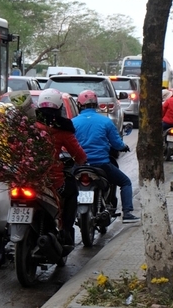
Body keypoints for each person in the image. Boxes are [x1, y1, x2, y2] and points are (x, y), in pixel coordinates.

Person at [72, 90, 140, 224]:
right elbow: (116, 143)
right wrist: (123, 146)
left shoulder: (73, 122)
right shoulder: (106, 122)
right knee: (125, 182)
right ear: (96, 104)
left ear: (79, 105)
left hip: (79, 165)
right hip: (101, 164)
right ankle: (127, 213)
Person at [35, 88, 87, 251]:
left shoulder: (27, 125)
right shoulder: (62, 129)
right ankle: (66, 231)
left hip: (25, 178)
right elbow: (79, 155)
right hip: (53, 180)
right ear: (59, 107)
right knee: (71, 192)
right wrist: (80, 161)